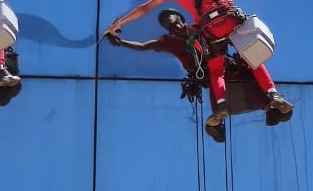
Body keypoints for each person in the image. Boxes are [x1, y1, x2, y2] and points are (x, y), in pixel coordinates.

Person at [106, 0, 293, 129]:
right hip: (229, 20)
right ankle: (273, 95)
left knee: (216, 70)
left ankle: (220, 106)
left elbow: (144, 8)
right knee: (252, 59)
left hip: (210, 30)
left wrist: (119, 23)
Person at [107, 8, 279, 142]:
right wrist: (121, 42)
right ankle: (217, 123)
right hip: (205, 71)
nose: (168, 21)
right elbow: (143, 46)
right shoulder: (169, 42)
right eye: (165, 21)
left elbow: (220, 30)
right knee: (213, 81)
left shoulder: (198, 29)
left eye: (170, 17)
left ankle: (269, 107)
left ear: (180, 18)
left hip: (222, 63)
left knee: (248, 71)